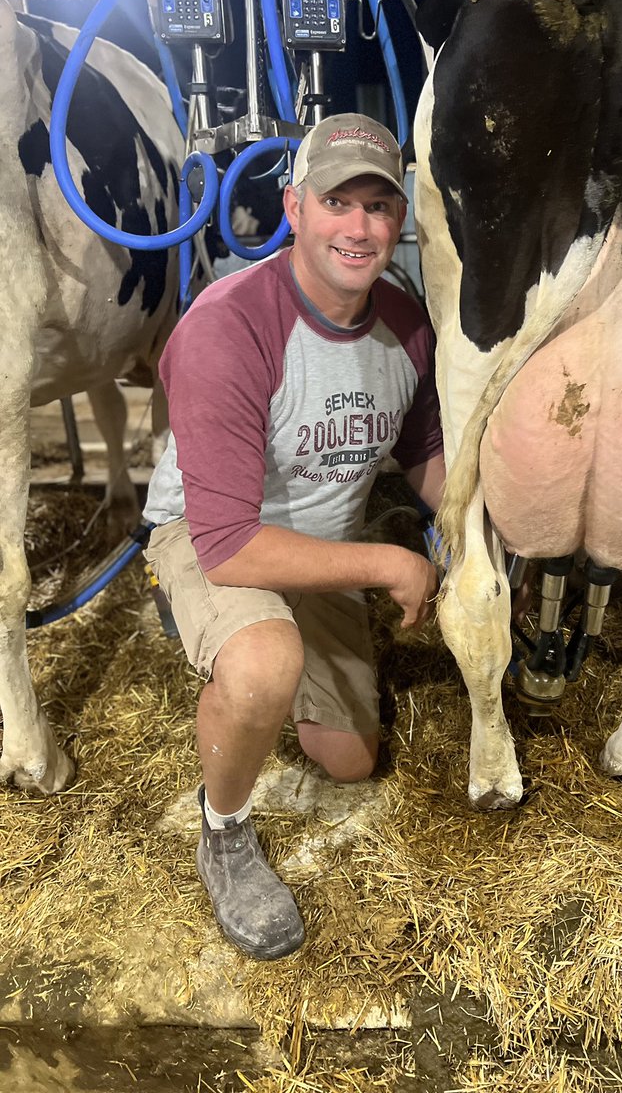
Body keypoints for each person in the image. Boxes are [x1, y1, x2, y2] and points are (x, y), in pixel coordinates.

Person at [143, 113, 445, 960]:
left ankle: (265, 675)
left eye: (378, 206)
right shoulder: (228, 326)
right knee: (263, 661)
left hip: (319, 548)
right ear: (295, 208)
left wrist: (481, 529)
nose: (358, 227)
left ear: (399, 219)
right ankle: (226, 832)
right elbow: (232, 544)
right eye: (336, 202)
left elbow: (424, 455)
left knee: (349, 759)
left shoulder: (403, 320)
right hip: (210, 538)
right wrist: (390, 561)